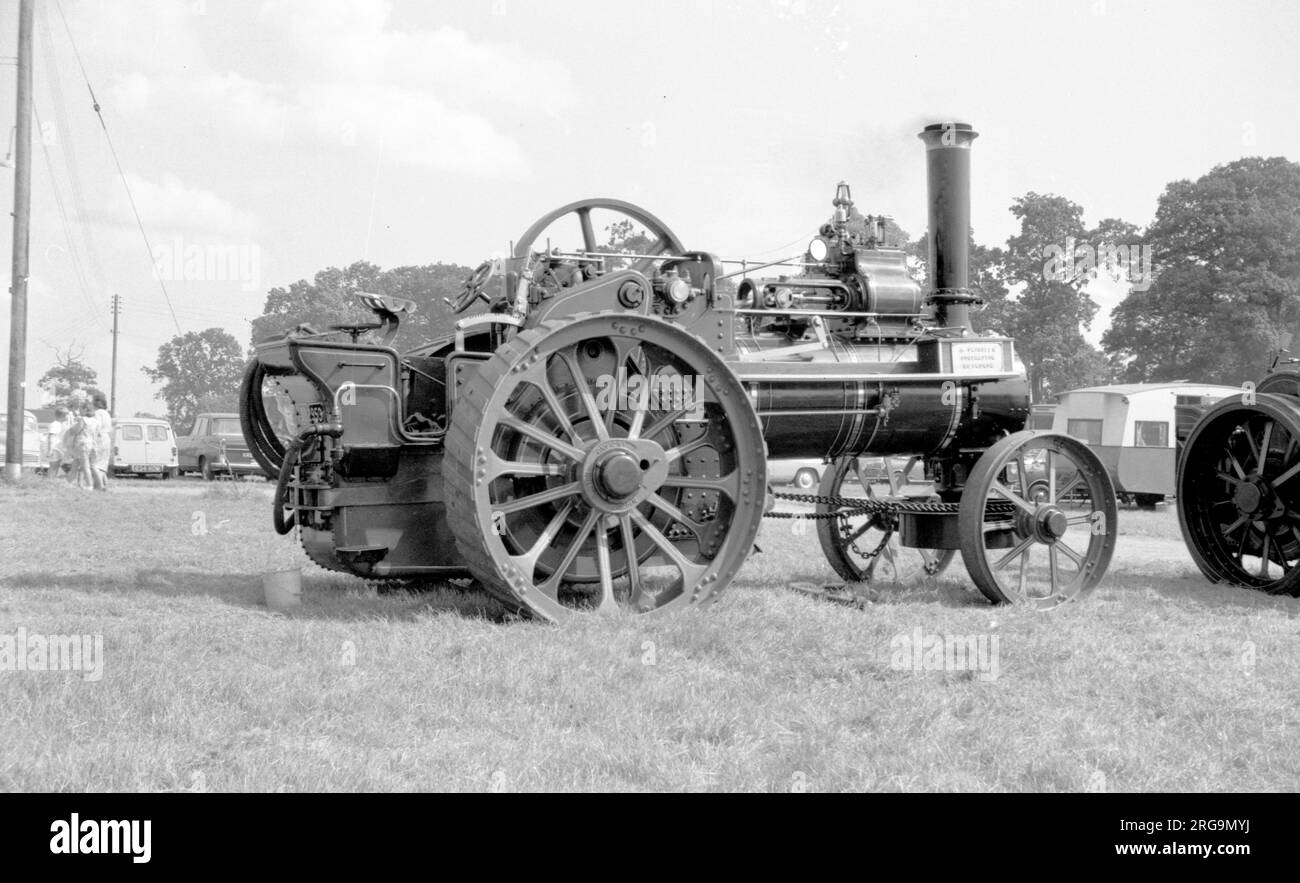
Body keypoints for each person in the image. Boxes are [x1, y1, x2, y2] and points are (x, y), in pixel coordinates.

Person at [63, 402, 96, 490]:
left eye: (81, 409)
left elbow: (76, 430)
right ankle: (69, 482)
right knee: (75, 464)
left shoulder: (83, 420)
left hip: (82, 444)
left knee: (85, 466)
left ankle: (90, 485)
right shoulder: (94, 421)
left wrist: (69, 431)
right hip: (88, 444)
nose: (79, 411)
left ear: (85, 410)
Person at [90, 393, 113, 491]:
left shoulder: (97, 413)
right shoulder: (106, 413)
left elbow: (96, 427)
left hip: (99, 438)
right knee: (103, 464)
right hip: (107, 438)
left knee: (94, 464)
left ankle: (99, 486)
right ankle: (103, 484)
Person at [45, 407, 68, 478]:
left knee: (56, 466)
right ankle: (50, 480)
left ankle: (52, 479)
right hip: (54, 449)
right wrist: (50, 450)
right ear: (63, 416)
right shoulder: (54, 424)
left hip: (59, 449)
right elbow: (51, 437)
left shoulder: (62, 425)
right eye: (68, 414)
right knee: (53, 466)